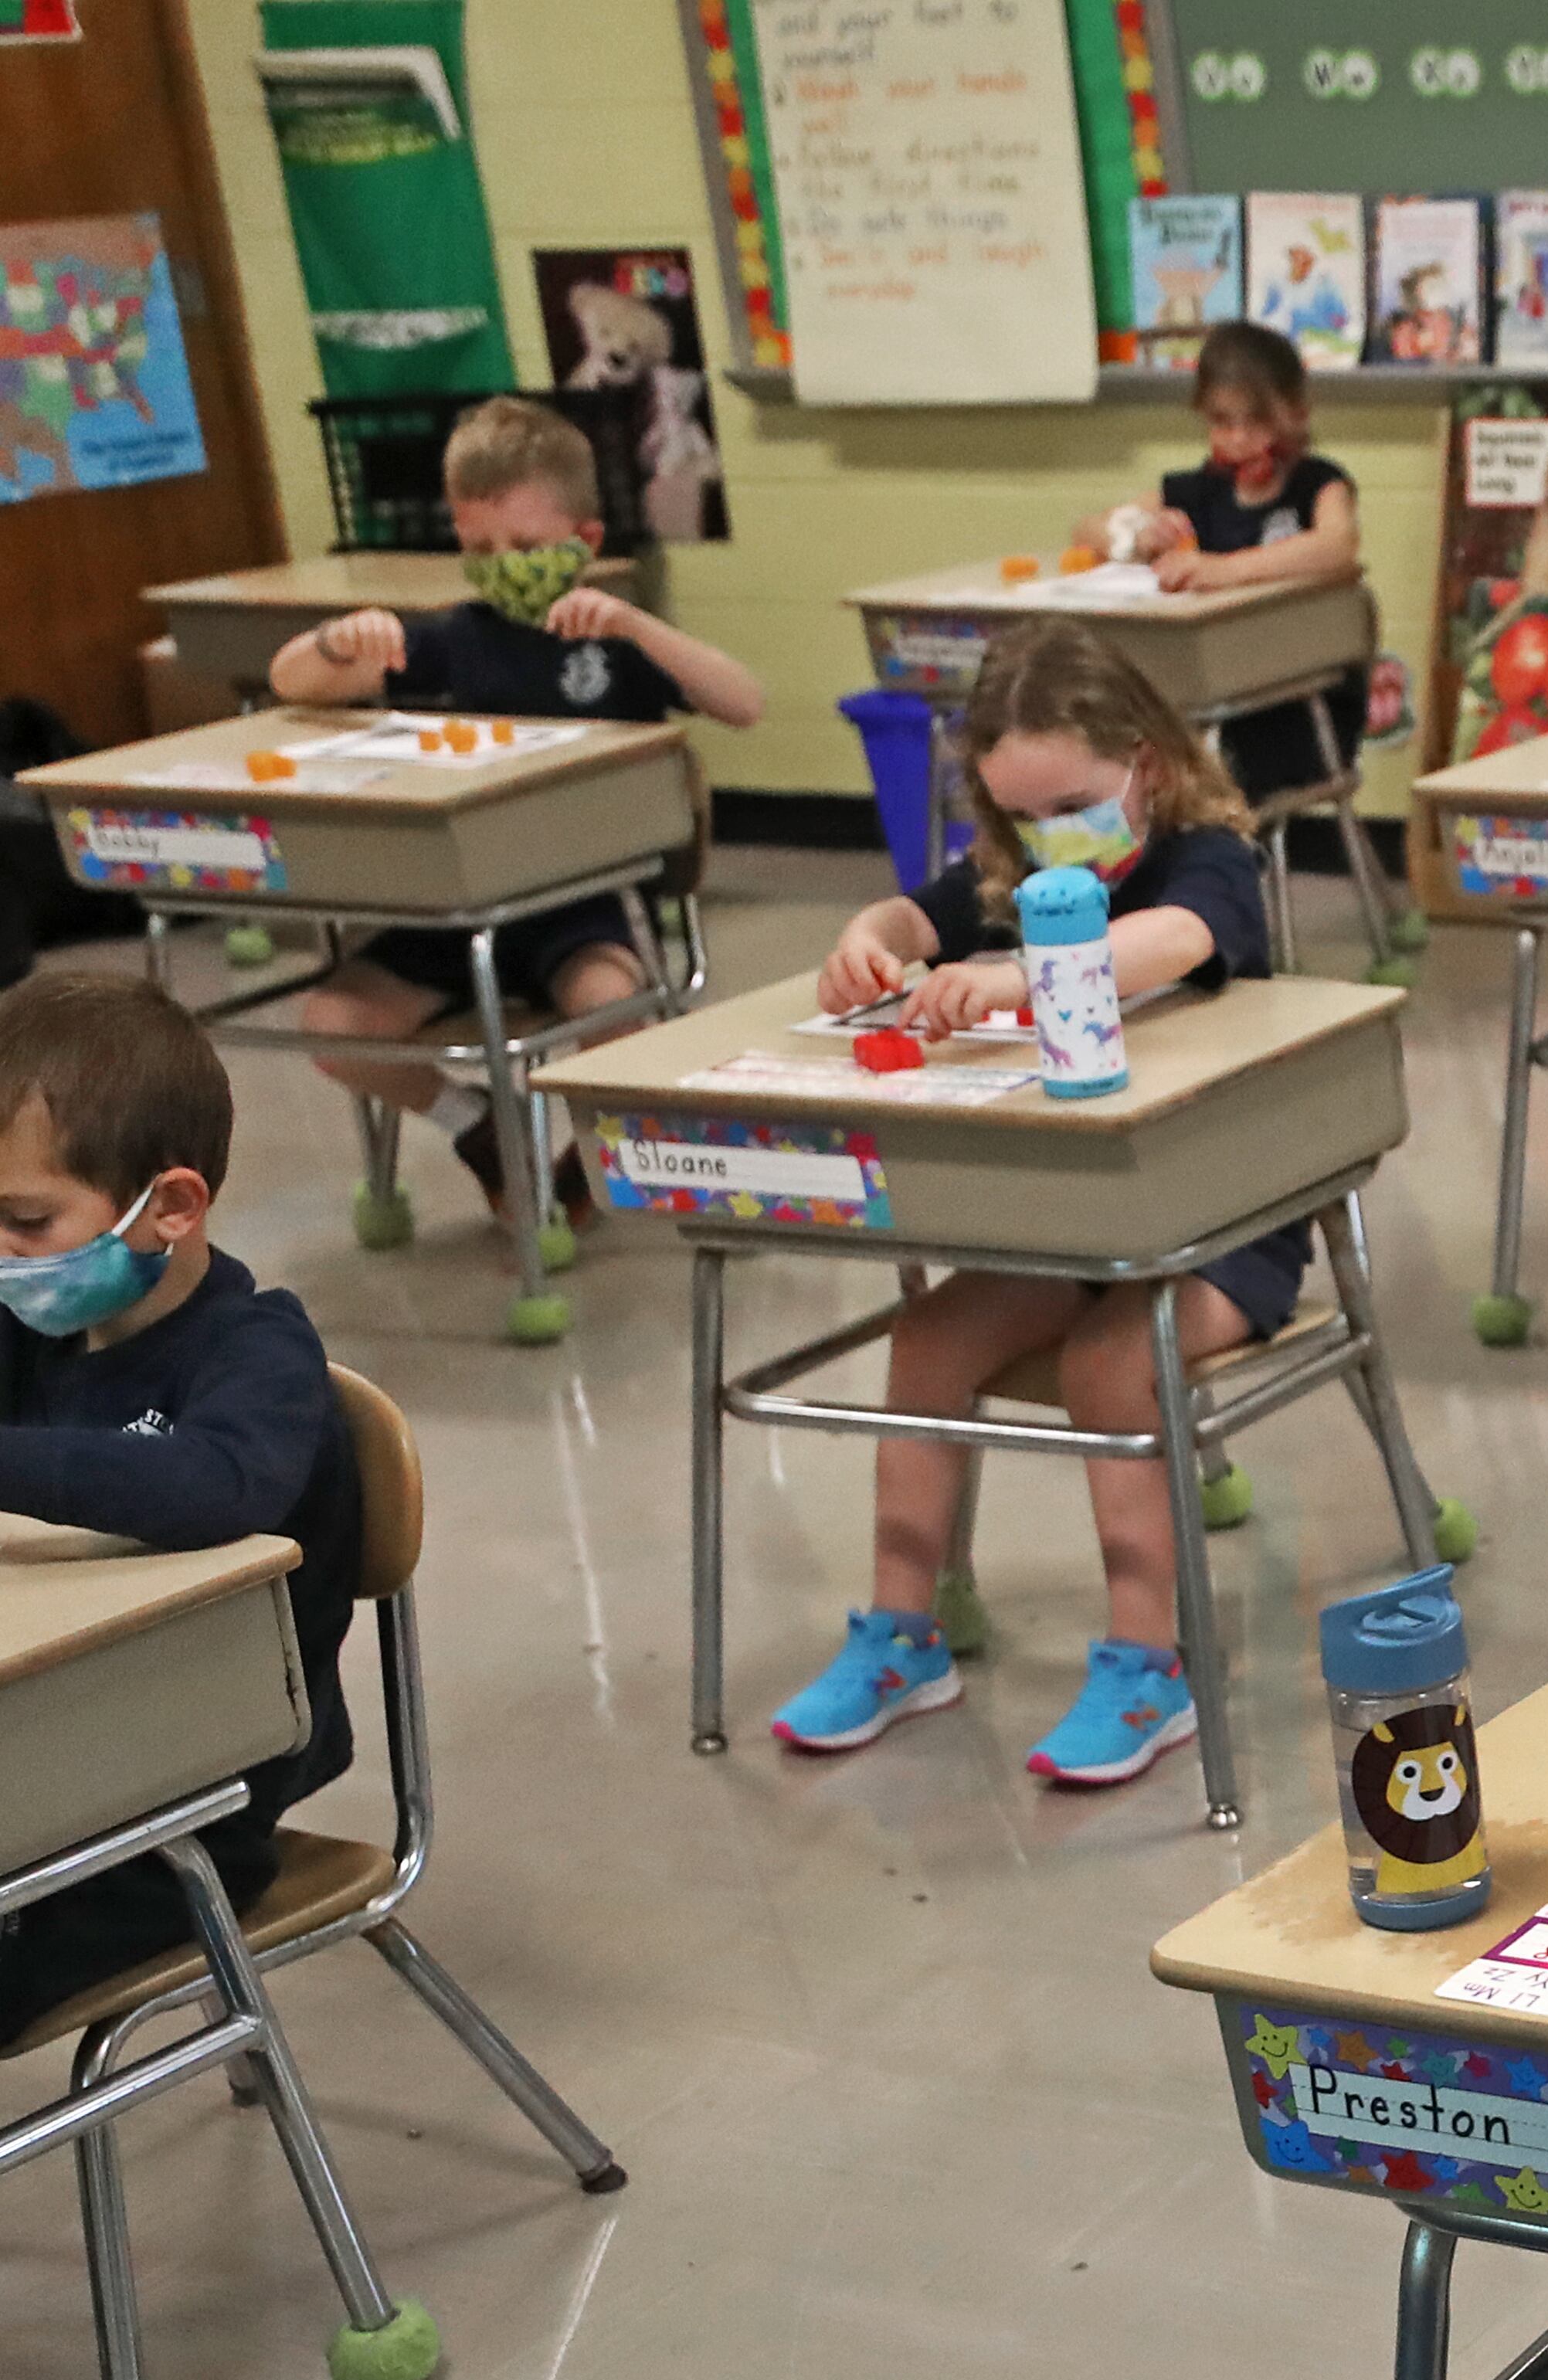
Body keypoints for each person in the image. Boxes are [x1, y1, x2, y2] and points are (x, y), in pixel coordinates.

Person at [767, 621, 1302, 1789]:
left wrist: (1033, 971)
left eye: (1073, 803)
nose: (1051, 837)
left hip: (1223, 1221)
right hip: (1078, 1223)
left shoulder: (1202, 858)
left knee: (1112, 1364)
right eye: (1021, 817)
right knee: (928, 1336)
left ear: (1144, 766)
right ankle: (903, 1635)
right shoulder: (1014, 874)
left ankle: (1149, 1663)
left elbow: (1181, 939)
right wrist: (871, 939)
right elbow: (925, 913)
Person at [267, 396, 762, 1231]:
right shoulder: (456, 638)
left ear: (585, 543)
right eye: (480, 547)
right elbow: (291, 682)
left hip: (581, 900)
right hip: (454, 906)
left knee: (613, 1004)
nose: (503, 564)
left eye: (528, 547)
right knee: (333, 1025)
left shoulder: (613, 645)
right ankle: (484, 1131)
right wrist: (336, 644)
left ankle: (580, 1160)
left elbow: (742, 700)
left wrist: (635, 623)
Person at [0, 974, 363, 2035]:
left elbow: (214, 1487)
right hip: (47, 1759)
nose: (4, 1254)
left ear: (171, 1207)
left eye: (26, 1220)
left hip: (194, 1811)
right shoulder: (33, 1330)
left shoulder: (259, 1350)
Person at [1087, 321, 1369, 878]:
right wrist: (1134, 535)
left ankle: (1206, 893)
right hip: (1199, 710)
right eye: (1221, 421)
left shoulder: (1319, 485)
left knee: (1200, 776)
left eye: (1256, 421)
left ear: (1295, 412)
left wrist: (1221, 570)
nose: (1237, 439)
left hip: (1289, 712)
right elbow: (1087, 530)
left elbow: (1338, 547)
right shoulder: (1196, 492)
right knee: (1119, 752)